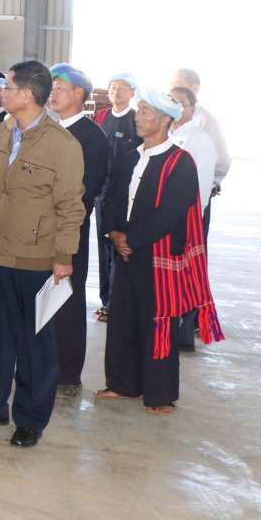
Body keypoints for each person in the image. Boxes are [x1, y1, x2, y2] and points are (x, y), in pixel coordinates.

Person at [0, 60, 85, 448]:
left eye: (7, 87)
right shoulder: (0, 131)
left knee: (34, 344)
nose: (1, 93)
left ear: (26, 94)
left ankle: (31, 418)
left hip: (36, 259)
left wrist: (63, 256)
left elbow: (71, 206)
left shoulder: (62, 145)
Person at [98, 90, 224, 415]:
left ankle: (159, 394)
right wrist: (115, 233)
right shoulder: (128, 158)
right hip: (126, 251)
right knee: (122, 319)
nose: (138, 117)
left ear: (166, 119)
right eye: (138, 111)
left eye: (145, 112)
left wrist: (133, 240)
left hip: (158, 255)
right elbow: (111, 197)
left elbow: (172, 212)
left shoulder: (180, 162)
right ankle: (123, 383)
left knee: (158, 323)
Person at [47, 63, 110, 395]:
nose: (53, 94)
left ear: (79, 93)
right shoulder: (50, 129)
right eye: (52, 88)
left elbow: (87, 189)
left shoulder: (91, 136)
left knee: (68, 298)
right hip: (42, 231)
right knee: (46, 297)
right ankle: (45, 363)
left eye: (60, 88)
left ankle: (68, 372)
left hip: (70, 230)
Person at [168, 85, 221, 352]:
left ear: (192, 109)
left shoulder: (199, 139)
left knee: (187, 274)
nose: (176, 107)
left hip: (186, 219)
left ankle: (184, 333)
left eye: (181, 103)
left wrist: (190, 220)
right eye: (171, 101)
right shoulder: (166, 134)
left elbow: (200, 184)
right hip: (165, 219)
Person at [95, 73, 141, 323]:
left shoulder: (136, 120)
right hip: (102, 193)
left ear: (132, 92)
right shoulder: (101, 118)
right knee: (103, 250)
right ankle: (106, 301)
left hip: (126, 195)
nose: (116, 91)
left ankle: (117, 302)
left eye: (123, 87)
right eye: (113, 87)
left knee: (120, 248)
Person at [171, 68, 232, 225]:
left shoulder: (205, 120)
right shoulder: (166, 118)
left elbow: (222, 160)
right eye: (172, 85)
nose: (174, 89)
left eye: (178, 84)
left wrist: (212, 183)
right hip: (169, 199)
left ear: (195, 88)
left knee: (194, 235)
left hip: (196, 198)